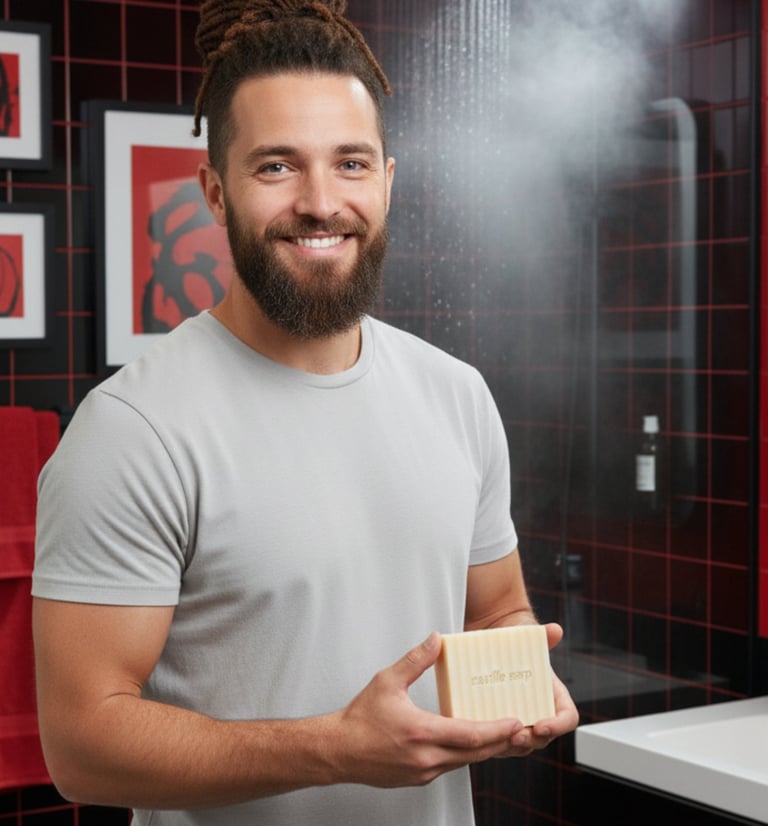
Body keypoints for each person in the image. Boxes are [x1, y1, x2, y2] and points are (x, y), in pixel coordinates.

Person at [32, 2, 579, 824]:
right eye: (277, 167)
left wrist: (524, 694)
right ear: (215, 193)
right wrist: (332, 746)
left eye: (350, 164)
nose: (322, 202)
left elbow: (497, 610)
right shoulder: (133, 431)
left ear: (387, 182)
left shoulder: (456, 394)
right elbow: (81, 747)